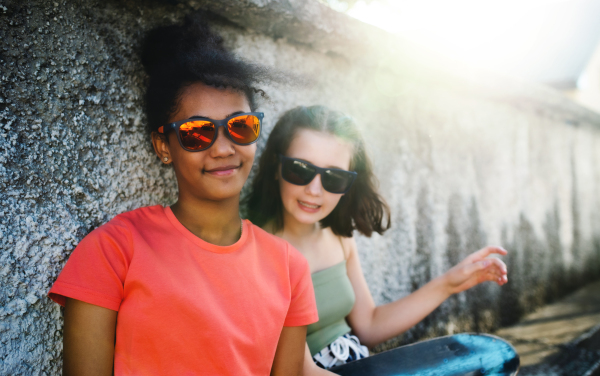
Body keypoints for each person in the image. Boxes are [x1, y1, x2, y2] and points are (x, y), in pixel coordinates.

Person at [48, 15, 318, 376]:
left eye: (240, 127)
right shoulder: (114, 251)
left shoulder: (289, 268)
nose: (223, 149)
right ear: (163, 146)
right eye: (197, 133)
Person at [244, 105, 508, 374]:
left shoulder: (338, 238)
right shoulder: (254, 251)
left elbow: (368, 325)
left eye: (334, 178)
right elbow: (296, 370)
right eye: (300, 169)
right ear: (276, 168)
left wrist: (448, 284)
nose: (314, 190)